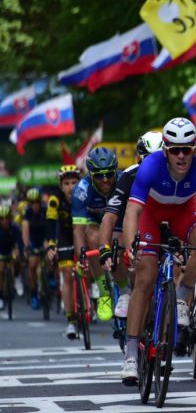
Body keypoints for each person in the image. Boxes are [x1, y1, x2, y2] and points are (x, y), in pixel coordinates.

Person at [120, 117, 196, 384]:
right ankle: (131, 354)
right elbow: (133, 211)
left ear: (194, 149)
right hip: (151, 214)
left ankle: (182, 294)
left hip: (185, 211)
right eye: (174, 149)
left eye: (186, 149)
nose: (180, 155)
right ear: (165, 149)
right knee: (145, 276)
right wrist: (132, 246)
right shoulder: (151, 166)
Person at [97, 131, 163, 319]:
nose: (153, 166)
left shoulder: (176, 173)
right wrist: (104, 248)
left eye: (157, 159)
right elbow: (110, 217)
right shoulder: (128, 175)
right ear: (137, 158)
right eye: (148, 159)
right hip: (131, 219)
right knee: (117, 246)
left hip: (161, 220)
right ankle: (125, 292)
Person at [72, 147, 121, 322]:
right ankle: (104, 293)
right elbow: (78, 230)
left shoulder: (123, 181)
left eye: (109, 174)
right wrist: (82, 257)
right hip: (94, 221)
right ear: (91, 174)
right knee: (92, 237)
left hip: (118, 221)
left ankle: (124, 287)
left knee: (118, 240)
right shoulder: (82, 190)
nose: (106, 180)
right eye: (99, 176)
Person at [46, 165, 81, 338]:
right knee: (67, 273)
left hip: (82, 233)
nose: (71, 187)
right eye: (66, 183)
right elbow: (51, 224)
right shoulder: (55, 199)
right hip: (65, 237)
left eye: (74, 182)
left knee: (86, 270)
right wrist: (51, 245)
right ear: (61, 186)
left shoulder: (85, 195)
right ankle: (71, 320)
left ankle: (91, 296)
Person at [22, 188, 49, 311]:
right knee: (32, 265)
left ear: (40, 202)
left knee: (50, 256)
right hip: (33, 240)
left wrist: (49, 242)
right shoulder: (27, 212)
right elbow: (25, 229)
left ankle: (51, 277)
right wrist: (27, 246)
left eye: (36, 202)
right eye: (32, 203)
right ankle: (33, 294)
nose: (35, 205)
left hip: (44, 237)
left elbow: (50, 227)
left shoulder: (45, 210)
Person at [0, 205, 23, 312]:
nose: (4, 221)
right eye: (2, 218)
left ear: (10, 218)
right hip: (1, 252)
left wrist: (21, 253)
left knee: (17, 256)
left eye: (6, 218)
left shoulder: (15, 228)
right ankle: (0, 296)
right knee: (1, 270)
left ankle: (17, 277)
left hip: (11, 250)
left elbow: (20, 243)